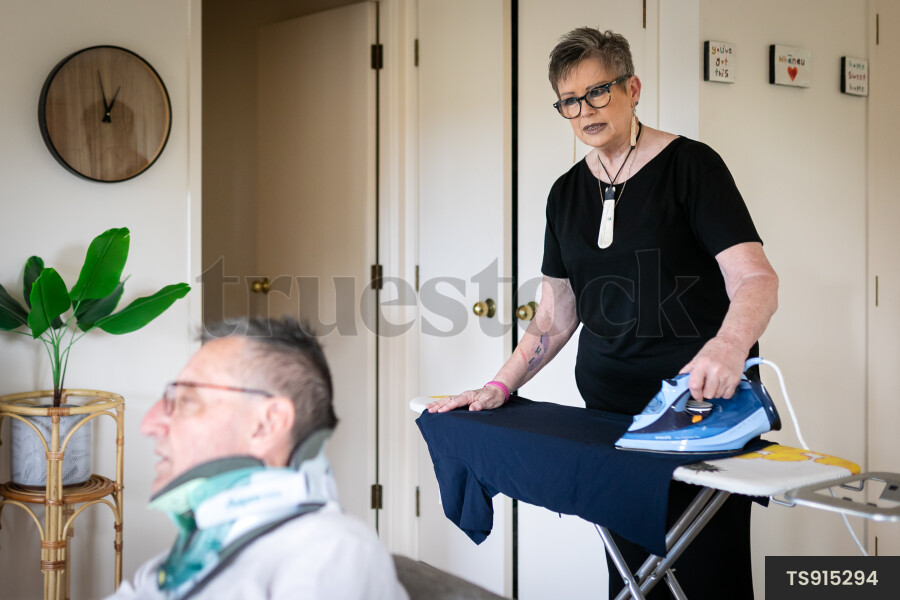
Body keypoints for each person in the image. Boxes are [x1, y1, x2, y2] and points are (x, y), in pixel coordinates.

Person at [428, 28, 778, 599]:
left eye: (598, 92)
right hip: (610, 415)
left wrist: (728, 345)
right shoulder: (565, 193)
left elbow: (756, 279)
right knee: (630, 573)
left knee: (706, 570)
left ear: (632, 87)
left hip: (697, 409)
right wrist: (500, 384)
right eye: (569, 101)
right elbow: (554, 318)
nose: (584, 110)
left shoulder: (692, 168)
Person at [108, 317, 408, 600]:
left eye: (186, 400)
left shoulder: (334, 551)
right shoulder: (176, 562)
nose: (148, 424)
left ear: (267, 424)